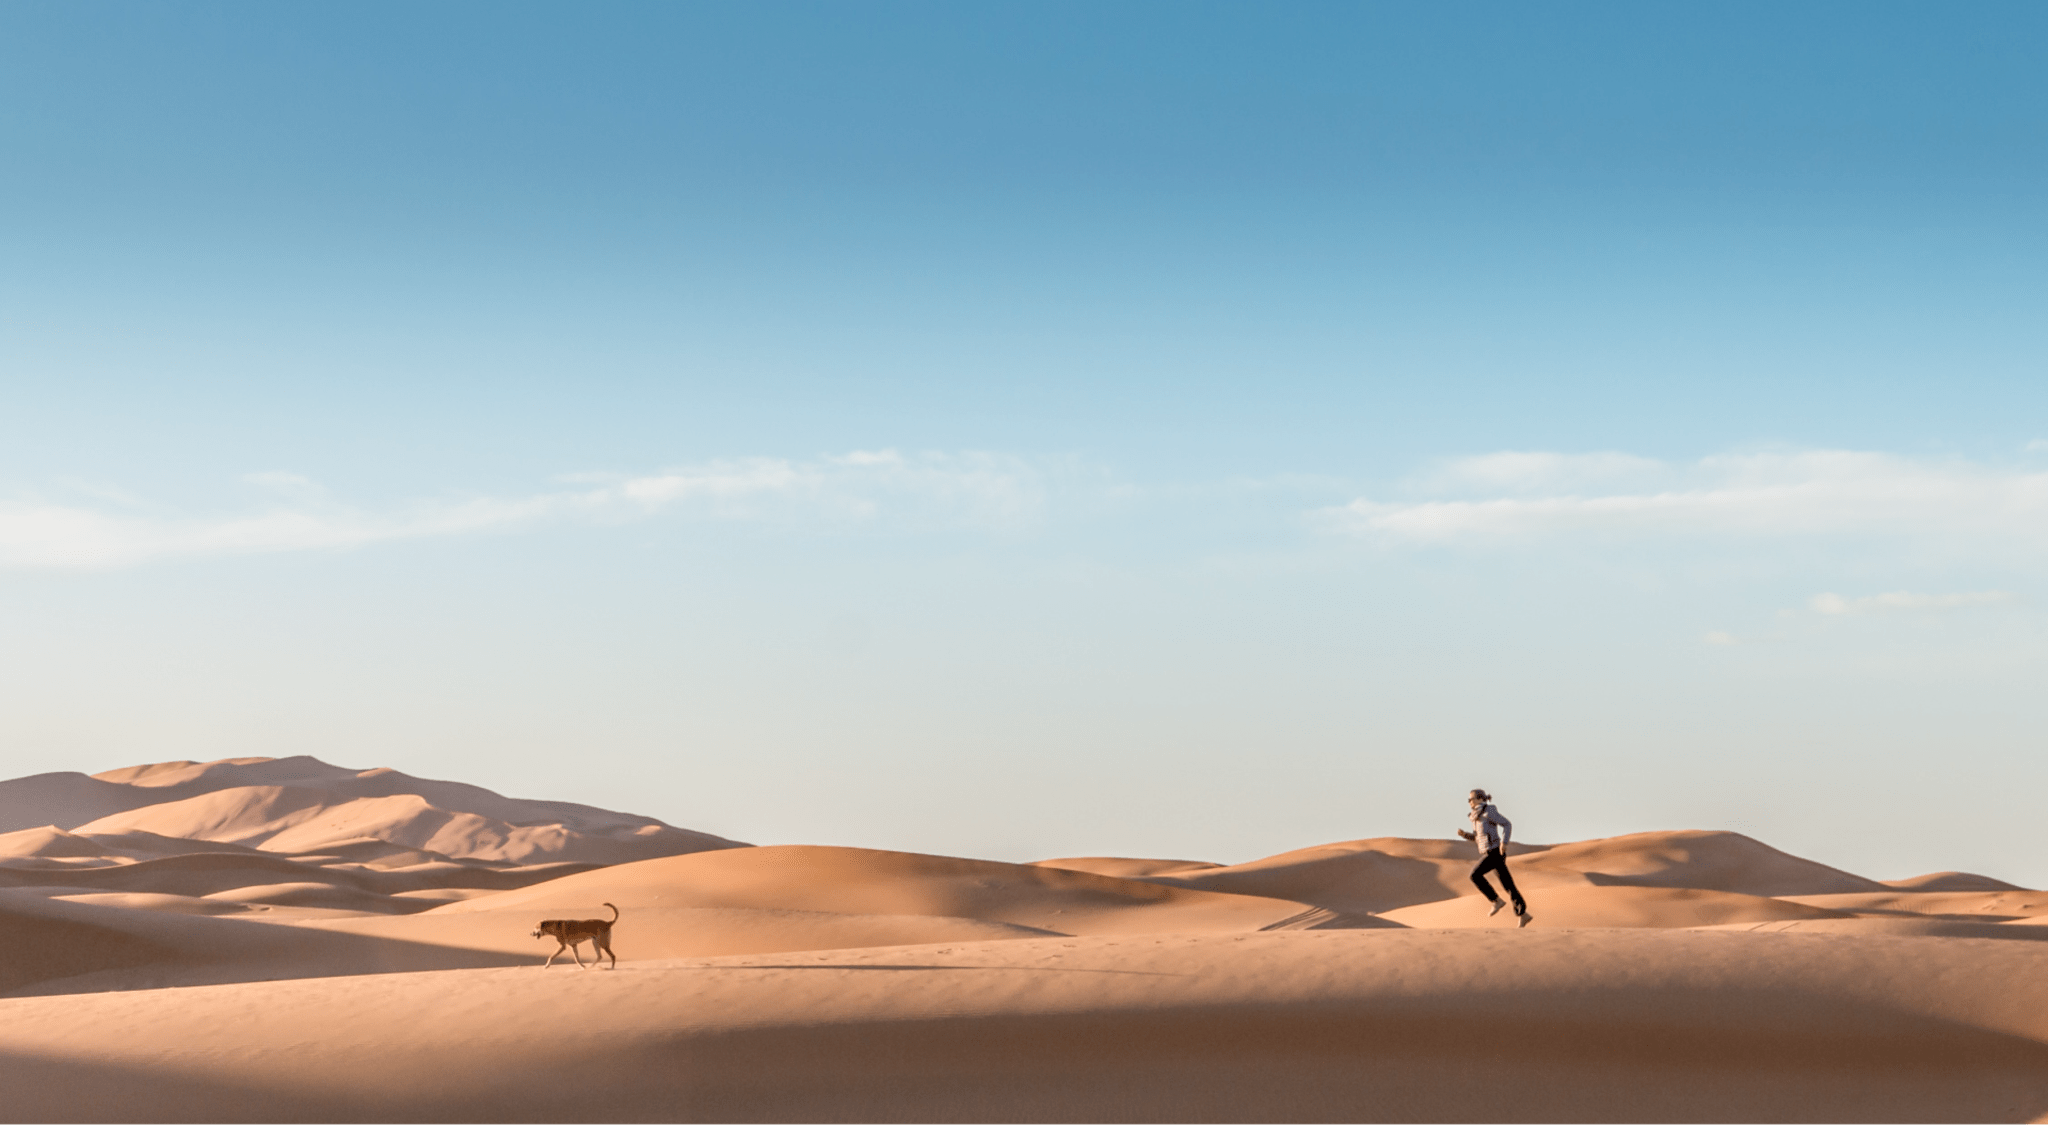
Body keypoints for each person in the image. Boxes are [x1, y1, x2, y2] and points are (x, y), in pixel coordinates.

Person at [1457, 788, 1531, 926]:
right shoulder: (1475, 817)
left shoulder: (1488, 811)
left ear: (1480, 798)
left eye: (1471, 799)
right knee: (1508, 885)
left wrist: (1505, 842)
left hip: (1495, 852)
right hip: (1488, 852)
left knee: (1474, 875)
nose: (1469, 802)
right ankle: (1523, 914)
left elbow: (1507, 824)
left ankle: (1496, 900)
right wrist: (1464, 835)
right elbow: (1477, 838)